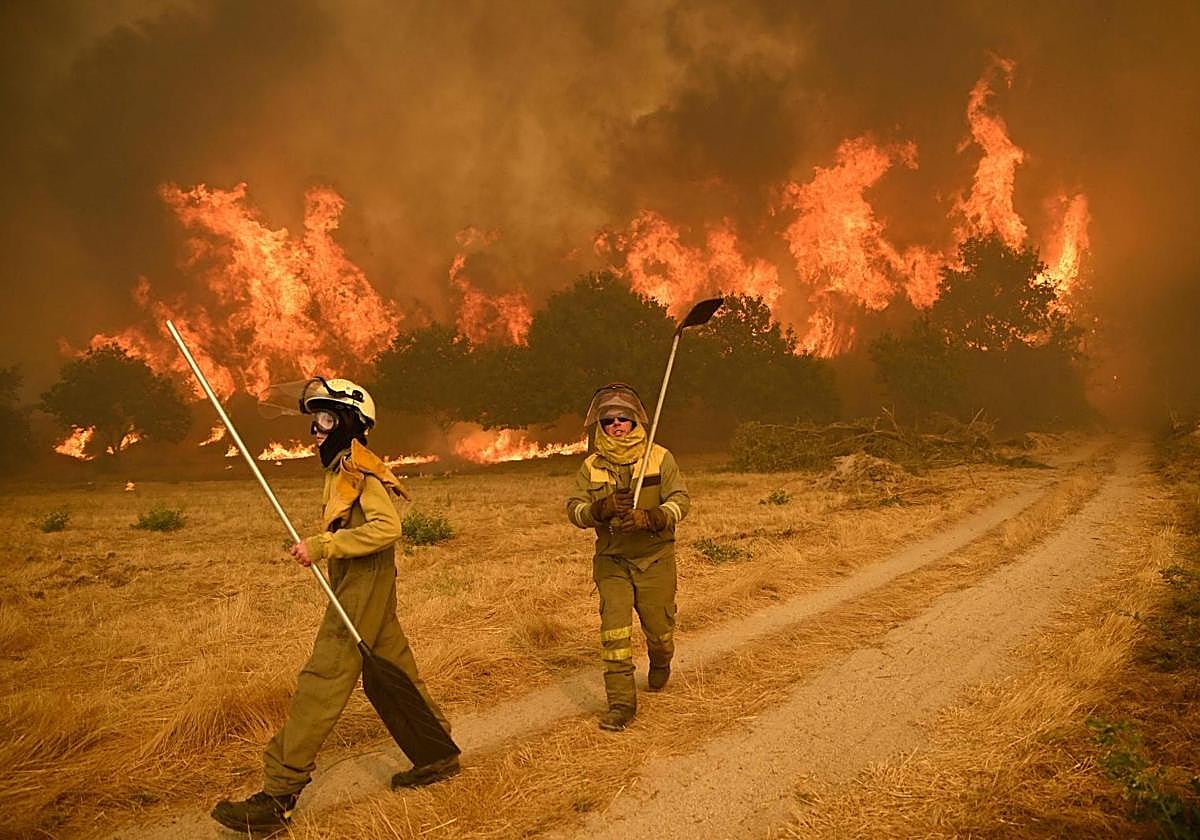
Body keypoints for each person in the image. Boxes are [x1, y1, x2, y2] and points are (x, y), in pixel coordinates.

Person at [211, 377, 457, 834]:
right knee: (394, 665)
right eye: (315, 419)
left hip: (363, 580)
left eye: (325, 419)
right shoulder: (341, 467)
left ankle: (279, 794)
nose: (316, 430)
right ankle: (437, 752)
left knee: (323, 677)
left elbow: (387, 529)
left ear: (349, 422)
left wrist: (324, 545)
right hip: (359, 576)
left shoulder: (358, 469)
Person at [566, 382, 690, 731]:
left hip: (655, 559)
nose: (616, 424)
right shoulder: (591, 466)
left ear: (635, 420)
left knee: (660, 632)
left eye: (623, 418)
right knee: (615, 635)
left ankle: (661, 660)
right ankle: (621, 704)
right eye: (608, 420)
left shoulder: (659, 457)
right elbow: (573, 510)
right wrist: (599, 509)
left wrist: (652, 518)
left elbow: (681, 501)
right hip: (613, 561)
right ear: (600, 426)